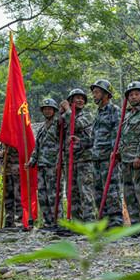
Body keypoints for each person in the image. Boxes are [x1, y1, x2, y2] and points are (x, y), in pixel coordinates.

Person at [118, 81, 140, 224]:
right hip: (125, 159)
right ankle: (135, 224)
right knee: (129, 193)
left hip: (138, 159)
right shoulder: (126, 116)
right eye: (131, 95)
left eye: (136, 94)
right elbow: (122, 135)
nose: (133, 97)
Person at [90, 79, 123, 226]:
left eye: (97, 92)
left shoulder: (113, 110)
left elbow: (117, 132)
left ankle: (115, 222)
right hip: (96, 157)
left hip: (108, 157)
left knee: (111, 191)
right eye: (93, 92)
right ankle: (103, 221)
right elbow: (94, 136)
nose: (94, 95)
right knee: (98, 191)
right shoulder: (97, 113)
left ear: (105, 94)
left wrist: (114, 151)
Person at [60, 89, 96, 221]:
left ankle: (89, 222)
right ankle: (76, 222)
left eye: (82, 98)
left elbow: (77, 125)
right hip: (70, 160)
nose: (80, 100)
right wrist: (61, 112)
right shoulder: (65, 117)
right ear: (71, 101)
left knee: (85, 192)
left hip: (84, 159)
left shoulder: (87, 115)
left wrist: (68, 110)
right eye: (77, 98)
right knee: (71, 193)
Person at [28, 98, 62, 227]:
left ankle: (58, 222)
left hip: (53, 165)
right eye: (45, 109)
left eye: (50, 109)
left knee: (54, 195)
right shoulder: (41, 128)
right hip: (41, 165)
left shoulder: (58, 123)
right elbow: (37, 147)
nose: (47, 111)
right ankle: (48, 222)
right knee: (42, 195)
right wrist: (31, 161)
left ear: (54, 110)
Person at [0, 145, 23, 228]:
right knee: (7, 198)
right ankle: (9, 221)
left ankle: (19, 221)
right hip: (7, 172)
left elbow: (24, 151)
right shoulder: (5, 140)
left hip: (17, 172)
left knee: (18, 197)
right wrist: (1, 153)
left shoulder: (19, 138)